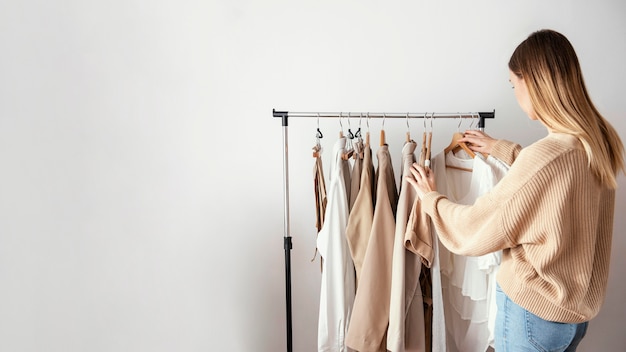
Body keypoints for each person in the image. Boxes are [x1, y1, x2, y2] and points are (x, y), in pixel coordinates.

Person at [406, 29, 625, 351]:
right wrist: (502, 149)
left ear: (534, 83)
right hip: (573, 317)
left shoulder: (548, 156)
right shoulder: (597, 142)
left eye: (514, 84)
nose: (515, 94)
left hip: (533, 313)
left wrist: (431, 199)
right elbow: (553, 188)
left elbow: (477, 226)